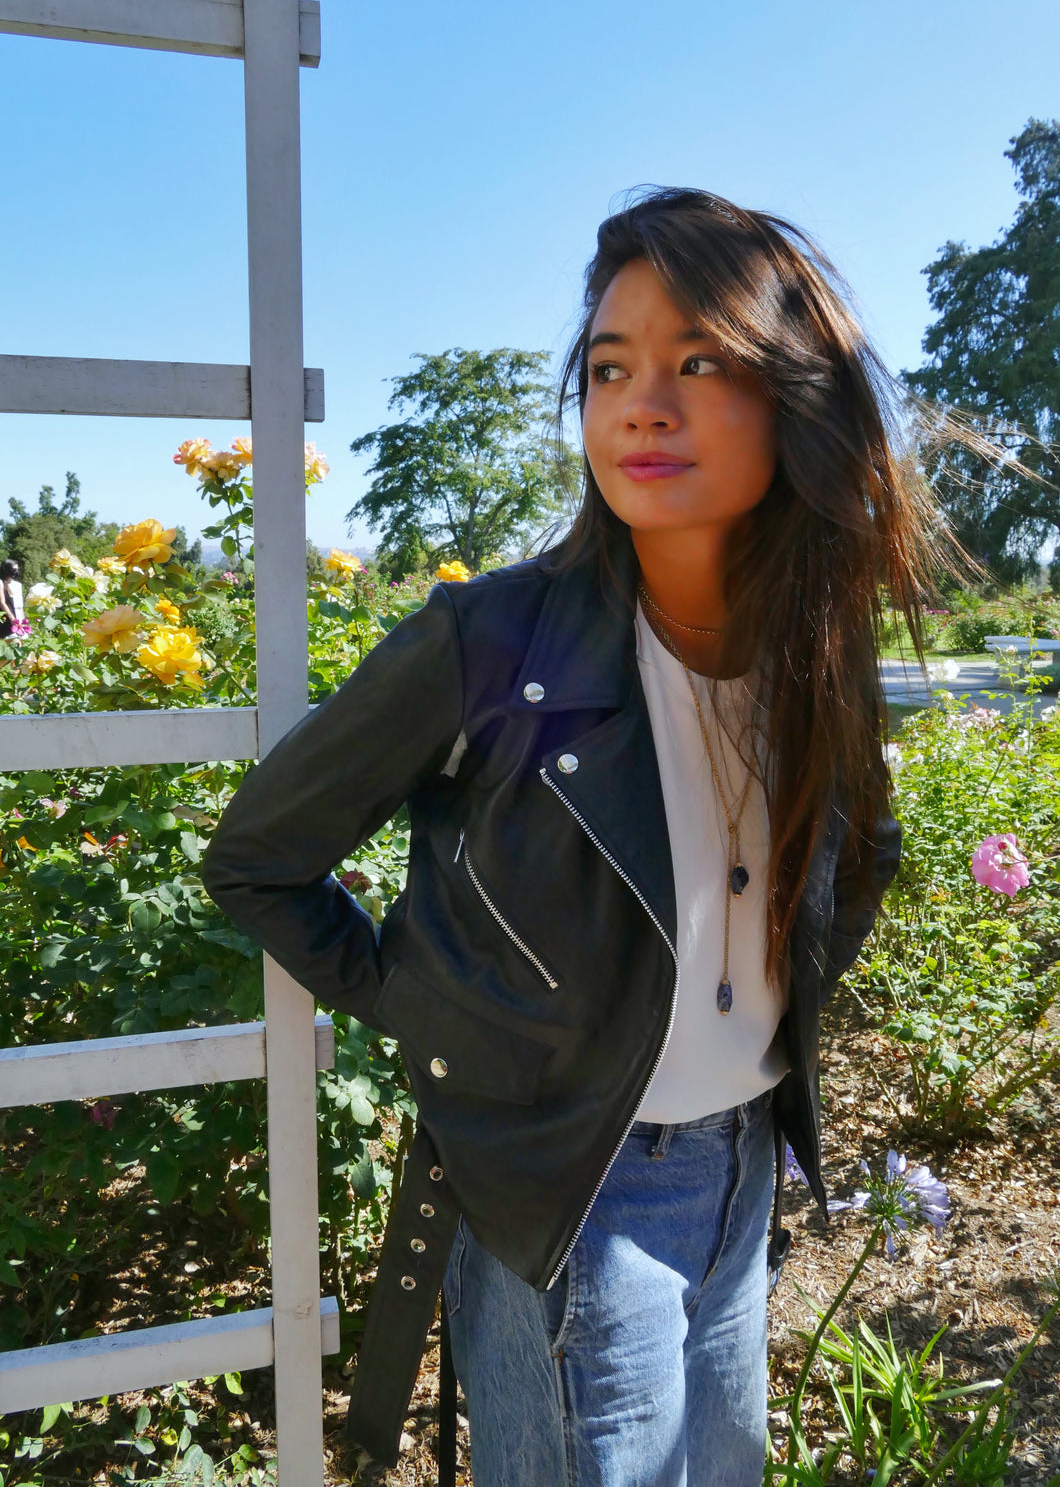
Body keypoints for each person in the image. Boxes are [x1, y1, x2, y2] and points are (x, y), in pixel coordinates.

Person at [201, 187, 963, 1487]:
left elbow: (864, 846)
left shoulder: (810, 649)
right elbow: (259, 854)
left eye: (698, 361)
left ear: (798, 397)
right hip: (572, 1193)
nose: (640, 402)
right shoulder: (493, 640)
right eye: (611, 366)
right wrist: (442, 1012)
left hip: (741, 1178)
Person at [0, 558, 25, 639]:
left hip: (18, 617)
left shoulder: (18, 585)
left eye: (17, 569)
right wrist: (12, 618)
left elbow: (20, 606)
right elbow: (2, 602)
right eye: (14, 569)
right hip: (8, 616)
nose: (16, 572)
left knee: (20, 645)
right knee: (15, 643)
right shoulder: (1, 583)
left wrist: (23, 620)